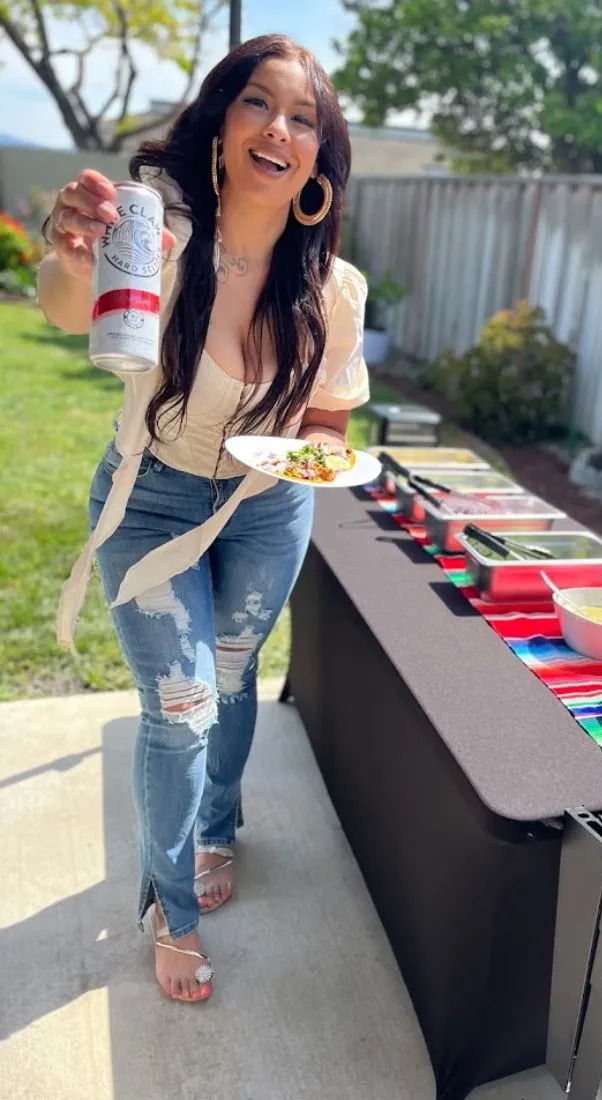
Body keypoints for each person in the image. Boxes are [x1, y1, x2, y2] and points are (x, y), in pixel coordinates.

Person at [36, 34, 370, 1004]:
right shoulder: (162, 240)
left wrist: (309, 457)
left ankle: (221, 822)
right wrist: (69, 257)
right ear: (222, 128)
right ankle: (170, 906)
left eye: (303, 118)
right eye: (258, 105)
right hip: (150, 498)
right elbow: (68, 308)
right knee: (178, 705)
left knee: (232, 680)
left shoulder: (331, 289)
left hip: (267, 509)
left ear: (318, 157)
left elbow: (326, 429)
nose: (280, 129)